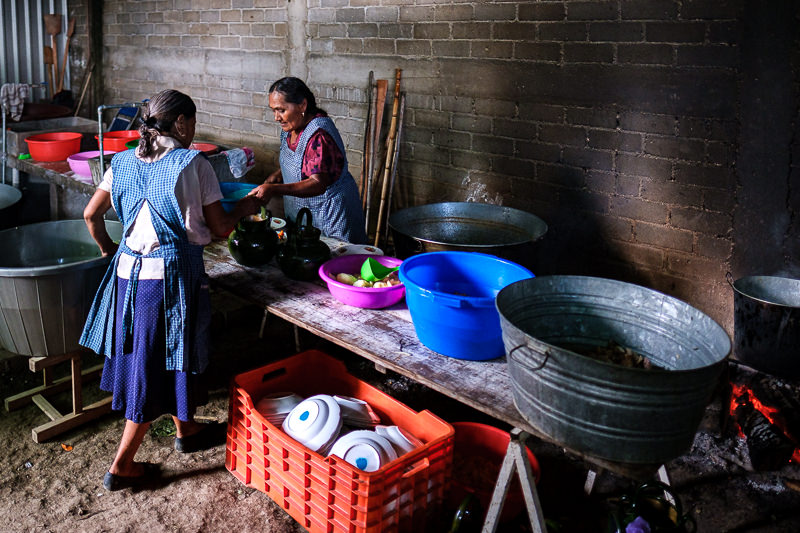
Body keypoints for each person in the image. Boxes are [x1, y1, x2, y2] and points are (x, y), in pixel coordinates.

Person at [80, 89, 261, 491]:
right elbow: (219, 229)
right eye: (193, 122)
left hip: (128, 278)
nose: (195, 130)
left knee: (162, 352)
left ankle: (188, 430)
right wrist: (247, 207)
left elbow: (91, 214)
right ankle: (121, 465)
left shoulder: (122, 161)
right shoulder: (193, 164)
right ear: (181, 123)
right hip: (169, 280)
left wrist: (112, 251)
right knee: (150, 365)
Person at [250, 77, 368, 244]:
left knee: (334, 260)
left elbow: (317, 183)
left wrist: (274, 189)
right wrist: (279, 174)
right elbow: (301, 161)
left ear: (302, 106)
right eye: (273, 110)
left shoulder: (319, 135)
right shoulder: (290, 128)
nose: (276, 117)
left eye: (281, 110)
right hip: (305, 214)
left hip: (329, 215)